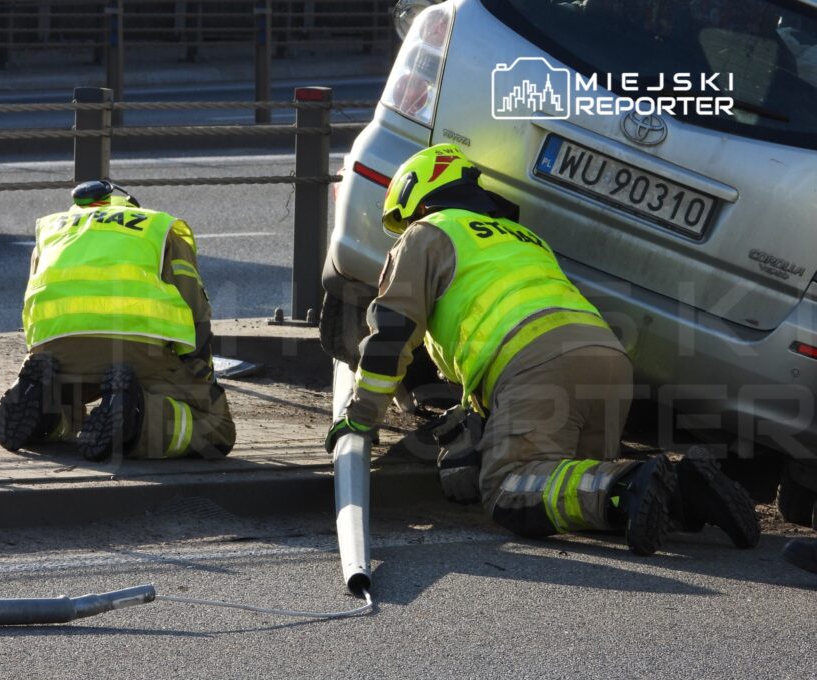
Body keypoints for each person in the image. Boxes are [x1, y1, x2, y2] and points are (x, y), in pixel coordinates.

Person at [325, 144, 759, 554]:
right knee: (579, 490)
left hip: (535, 362)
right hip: (606, 360)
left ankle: (631, 482)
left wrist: (360, 419)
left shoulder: (428, 232)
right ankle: (687, 487)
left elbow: (392, 335)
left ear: (417, 202)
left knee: (509, 491)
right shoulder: (522, 238)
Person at [0, 180, 235, 462]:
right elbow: (197, 313)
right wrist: (198, 380)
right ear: (128, 205)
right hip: (136, 350)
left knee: (75, 397)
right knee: (217, 427)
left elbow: (33, 302)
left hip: (54, 351)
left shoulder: (53, 231)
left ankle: (49, 418)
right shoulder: (155, 228)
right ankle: (135, 421)